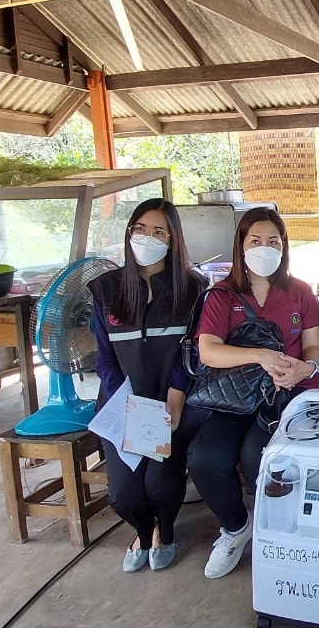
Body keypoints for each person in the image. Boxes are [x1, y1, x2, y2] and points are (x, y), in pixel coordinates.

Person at [187, 207, 319, 580]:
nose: (265, 248)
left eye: (273, 242)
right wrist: (260, 356)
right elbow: (209, 351)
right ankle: (235, 527)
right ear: (241, 246)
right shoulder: (222, 295)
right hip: (236, 396)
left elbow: (313, 348)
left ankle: (282, 533)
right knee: (204, 457)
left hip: (288, 394)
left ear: (284, 247)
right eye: (256, 241)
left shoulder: (300, 292)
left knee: (258, 456)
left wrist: (305, 368)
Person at [89, 198, 206, 572]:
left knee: (159, 484)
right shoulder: (106, 290)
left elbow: (193, 350)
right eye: (141, 229)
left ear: (173, 240)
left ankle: (165, 531)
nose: (148, 238)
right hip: (122, 406)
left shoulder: (192, 289)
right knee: (124, 495)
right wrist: (120, 399)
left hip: (170, 403)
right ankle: (142, 531)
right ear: (129, 233)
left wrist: (176, 394)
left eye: (160, 232)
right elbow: (104, 357)